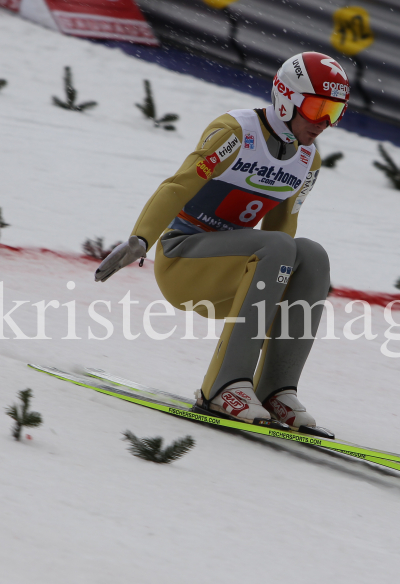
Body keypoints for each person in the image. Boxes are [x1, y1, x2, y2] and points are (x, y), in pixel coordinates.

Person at [94, 52, 349, 438]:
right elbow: (179, 185)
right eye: (317, 108)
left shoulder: (307, 160)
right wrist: (141, 238)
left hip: (234, 274)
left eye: (335, 112)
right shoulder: (237, 132)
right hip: (184, 261)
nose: (324, 123)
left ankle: (274, 388)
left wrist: (278, 306)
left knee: (312, 256)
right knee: (278, 248)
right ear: (286, 98)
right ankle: (222, 388)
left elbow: (284, 232)